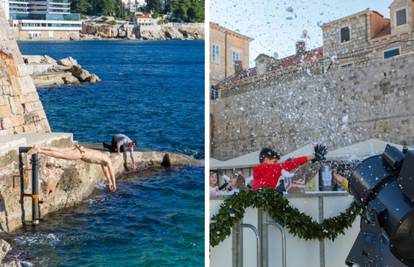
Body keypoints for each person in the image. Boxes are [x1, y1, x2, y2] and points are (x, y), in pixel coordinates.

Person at [28, 144, 117, 192]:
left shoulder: (103, 159)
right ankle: (39, 150)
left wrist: (109, 182)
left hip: (79, 148)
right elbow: (112, 173)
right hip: (81, 153)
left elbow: (106, 171)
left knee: (59, 150)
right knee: (60, 155)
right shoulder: (108, 160)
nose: (111, 165)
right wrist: (114, 184)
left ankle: (38, 147)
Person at [251, 144, 327, 190]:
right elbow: (292, 164)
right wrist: (313, 156)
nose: (276, 164)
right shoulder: (273, 168)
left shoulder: (257, 171)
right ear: (266, 160)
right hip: (267, 201)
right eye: (274, 161)